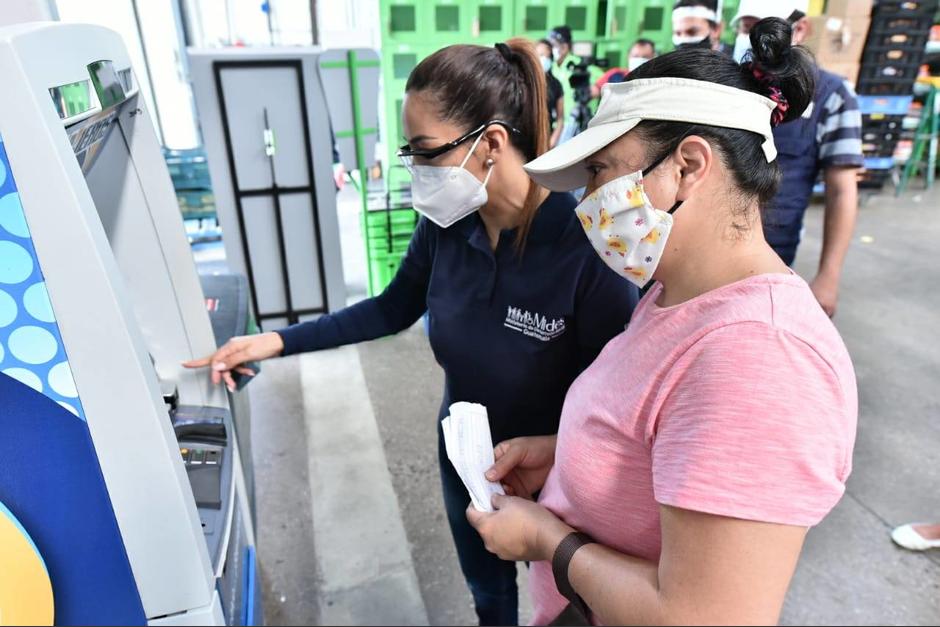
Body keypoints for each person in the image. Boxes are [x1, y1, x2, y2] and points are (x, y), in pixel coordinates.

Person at [185, 39, 639, 627]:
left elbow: (619, 396)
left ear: (491, 144)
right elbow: (390, 309)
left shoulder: (582, 247)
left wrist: (561, 460)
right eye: (410, 152)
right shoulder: (448, 224)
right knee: (490, 594)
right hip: (467, 452)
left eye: (426, 152)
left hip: (559, 465)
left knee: (568, 600)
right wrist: (275, 341)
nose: (416, 171)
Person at [466, 18, 858, 626]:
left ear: (688, 166)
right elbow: (659, 441)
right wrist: (570, 456)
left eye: (600, 173)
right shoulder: (674, 292)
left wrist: (548, 541)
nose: (587, 202)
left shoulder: (760, 358)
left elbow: (704, 616)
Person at [731, 0, 863, 317]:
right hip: (705, 249)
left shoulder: (832, 95)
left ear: (799, 29)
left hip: (773, 257)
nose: (749, 37)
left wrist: (828, 276)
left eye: (758, 27)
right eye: (745, 28)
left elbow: (842, 189)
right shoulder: (727, 82)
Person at [590, 39, 656, 99]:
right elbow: (594, 91)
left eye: (645, 57)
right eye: (636, 56)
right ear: (629, 56)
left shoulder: (658, 80)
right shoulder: (615, 75)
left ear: (653, 58)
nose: (640, 59)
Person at [535, 39, 565, 148]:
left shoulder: (556, 85)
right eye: (539, 55)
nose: (542, 59)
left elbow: (560, 119)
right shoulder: (525, 82)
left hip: (546, 139)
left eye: (545, 56)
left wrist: (551, 142)